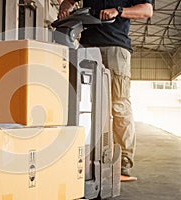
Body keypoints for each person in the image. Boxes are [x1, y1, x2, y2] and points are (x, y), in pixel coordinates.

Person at [58, 0, 153, 178]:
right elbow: (67, 2)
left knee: (118, 105)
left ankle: (124, 158)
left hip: (116, 47)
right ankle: (85, 153)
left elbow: (147, 10)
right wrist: (65, 9)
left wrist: (119, 11)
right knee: (84, 105)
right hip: (88, 48)